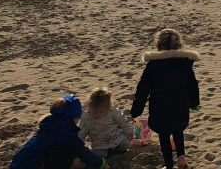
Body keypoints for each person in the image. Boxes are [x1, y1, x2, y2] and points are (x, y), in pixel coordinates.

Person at [131, 29, 200, 169]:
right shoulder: (185, 63)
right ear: (179, 44)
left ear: (158, 45)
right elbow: (192, 85)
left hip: (160, 107)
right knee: (178, 130)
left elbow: (143, 88)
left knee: (164, 135)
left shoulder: (153, 64)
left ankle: (169, 165)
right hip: (180, 105)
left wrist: (137, 109)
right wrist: (194, 103)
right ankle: (181, 159)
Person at [9, 95, 107, 169]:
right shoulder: (66, 132)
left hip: (17, 164)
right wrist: (101, 164)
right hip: (33, 165)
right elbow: (82, 152)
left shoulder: (49, 125)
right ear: (74, 117)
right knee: (76, 158)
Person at [78, 88, 132, 159]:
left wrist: (129, 132)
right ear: (90, 106)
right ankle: (105, 153)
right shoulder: (86, 117)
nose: (97, 115)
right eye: (94, 111)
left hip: (115, 138)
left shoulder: (112, 111)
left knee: (125, 145)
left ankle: (112, 152)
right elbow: (81, 133)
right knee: (100, 155)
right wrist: (79, 147)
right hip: (100, 144)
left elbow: (122, 121)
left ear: (108, 108)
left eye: (101, 112)